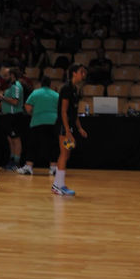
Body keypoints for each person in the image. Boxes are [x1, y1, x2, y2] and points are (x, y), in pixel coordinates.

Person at [52, 63, 88, 197]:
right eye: (81, 72)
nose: (83, 74)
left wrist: (79, 128)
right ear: (74, 73)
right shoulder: (66, 88)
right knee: (64, 153)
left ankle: (57, 184)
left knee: (66, 155)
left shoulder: (74, 89)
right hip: (63, 126)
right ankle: (59, 186)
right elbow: (63, 111)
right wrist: (67, 130)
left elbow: (74, 112)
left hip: (70, 126)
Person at [17, 75, 59, 176]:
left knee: (33, 145)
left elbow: (27, 107)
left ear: (40, 84)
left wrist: (34, 113)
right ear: (50, 84)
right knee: (53, 145)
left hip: (37, 121)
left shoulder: (35, 93)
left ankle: (29, 167)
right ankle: (53, 168)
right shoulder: (56, 94)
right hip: (53, 122)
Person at [0, 66, 24, 170]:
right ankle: (12, 159)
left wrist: (2, 97)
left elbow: (15, 101)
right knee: (10, 139)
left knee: (16, 139)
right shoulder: (10, 86)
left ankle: (16, 163)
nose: (5, 78)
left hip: (14, 116)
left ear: (12, 75)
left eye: (6, 75)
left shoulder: (16, 86)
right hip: (8, 116)